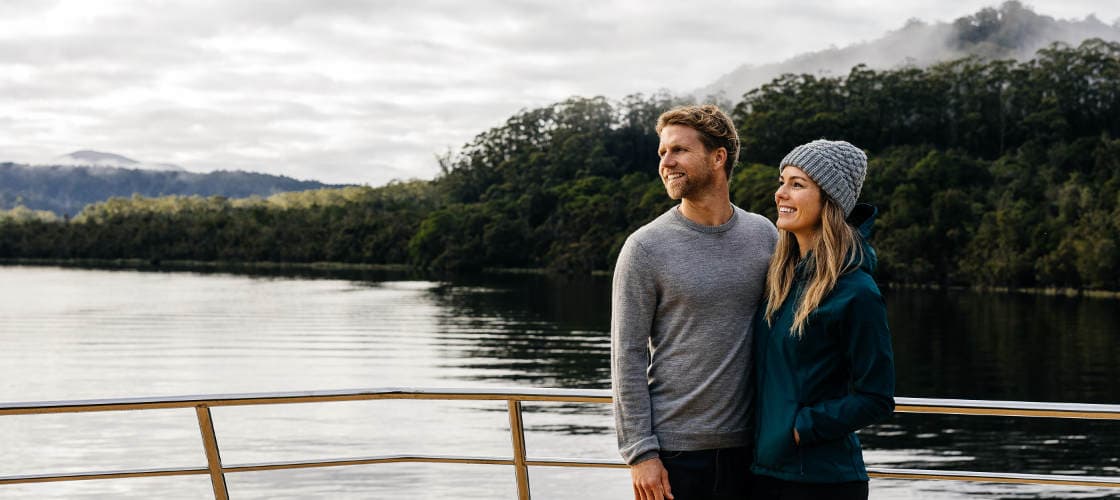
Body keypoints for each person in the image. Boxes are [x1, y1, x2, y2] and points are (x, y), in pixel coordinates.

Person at [611, 104, 777, 500]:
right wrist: (640, 454)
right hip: (674, 455)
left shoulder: (764, 235)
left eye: (679, 151)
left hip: (754, 449)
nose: (665, 163)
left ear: (718, 157)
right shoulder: (644, 247)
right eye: (662, 153)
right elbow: (627, 355)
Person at [750, 139, 895, 500]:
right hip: (764, 473)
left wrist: (798, 429)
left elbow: (876, 396)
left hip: (822, 482)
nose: (780, 193)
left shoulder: (857, 291)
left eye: (797, 184)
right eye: (782, 181)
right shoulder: (780, 278)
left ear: (830, 201)